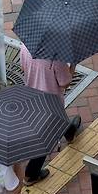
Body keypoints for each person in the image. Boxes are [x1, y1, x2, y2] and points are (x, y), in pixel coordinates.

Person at [19, 45, 82, 186]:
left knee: (58, 120)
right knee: (47, 139)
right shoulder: (56, 57)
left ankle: (70, 132)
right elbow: (65, 83)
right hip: (51, 104)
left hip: (32, 98)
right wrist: (73, 65)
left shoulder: (25, 47)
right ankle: (31, 174)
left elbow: (23, 68)